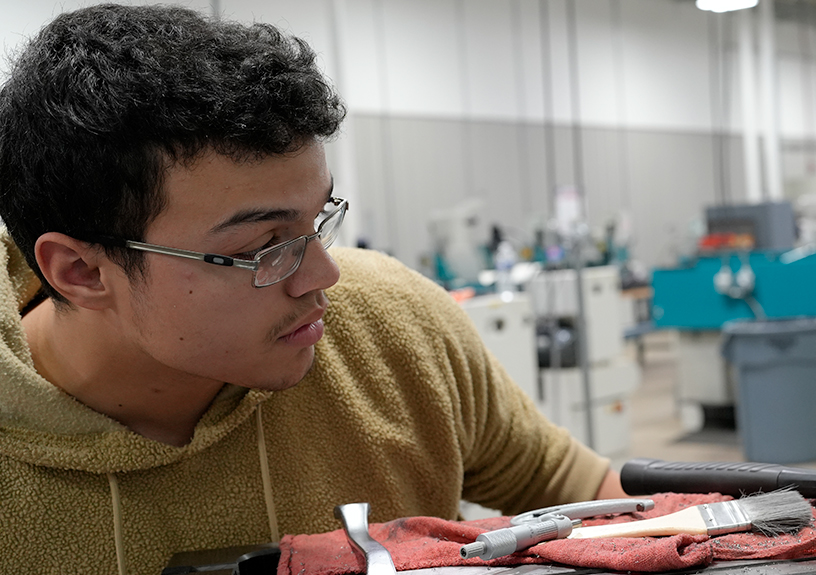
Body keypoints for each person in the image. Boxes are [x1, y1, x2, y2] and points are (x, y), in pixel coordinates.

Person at [0, 4, 624, 574]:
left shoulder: (393, 327)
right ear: (81, 272)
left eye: (317, 219)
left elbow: (585, 491)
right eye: (260, 248)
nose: (324, 274)